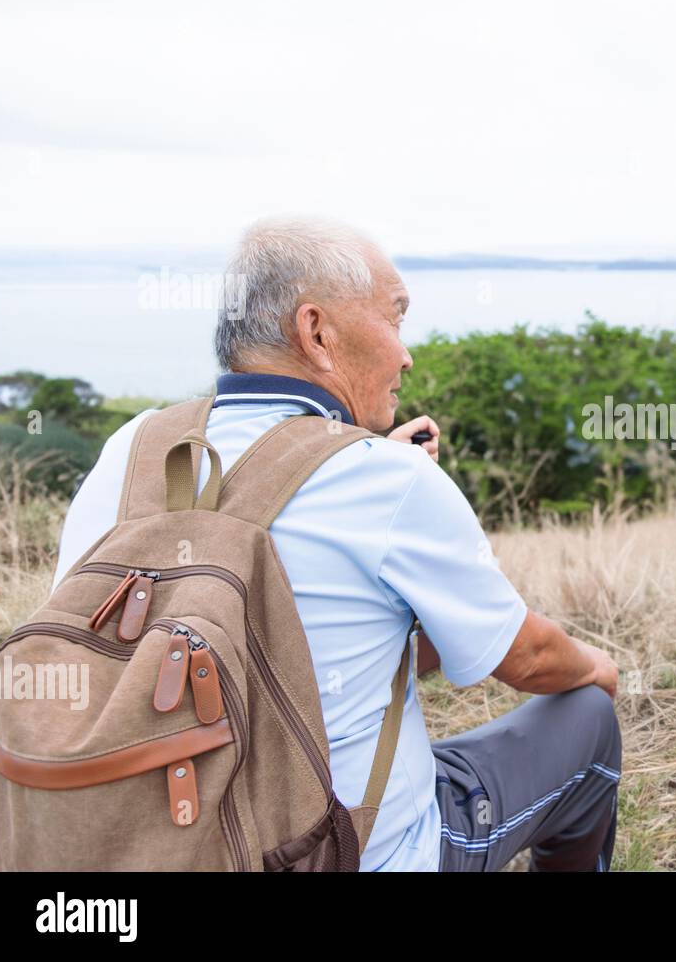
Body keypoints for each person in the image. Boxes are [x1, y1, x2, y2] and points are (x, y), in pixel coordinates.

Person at [51, 217, 622, 872]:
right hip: (351, 854)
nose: (407, 354)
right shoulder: (387, 480)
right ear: (317, 331)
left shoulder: (132, 448)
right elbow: (525, 657)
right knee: (587, 717)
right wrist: (596, 669)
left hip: (147, 850)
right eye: (396, 317)